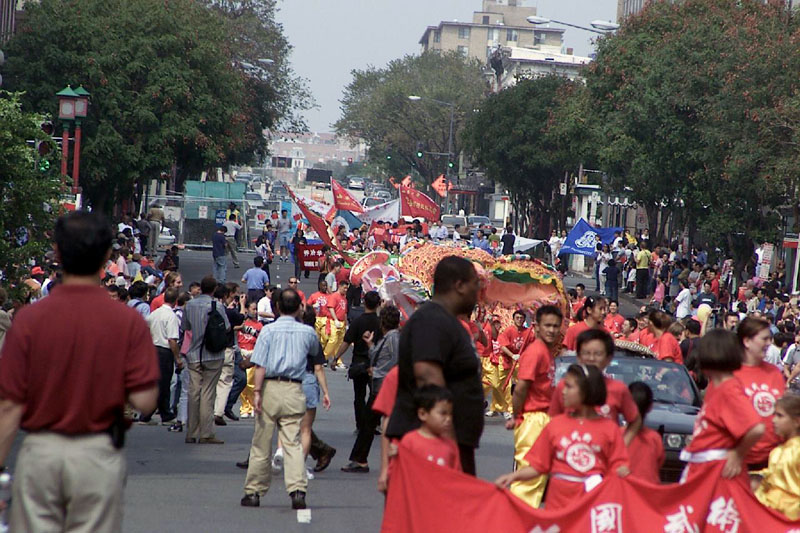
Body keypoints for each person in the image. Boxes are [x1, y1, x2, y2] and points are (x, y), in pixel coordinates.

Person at [0, 211, 159, 531]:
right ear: (107, 255)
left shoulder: (29, 320)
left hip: (41, 452)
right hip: (97, 453)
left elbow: (9, 405)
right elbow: (145, 400)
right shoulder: (126, 321)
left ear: (57, 252)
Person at [386, 256, 483, 475]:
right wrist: (448, 445)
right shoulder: (431, 320)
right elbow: (428, 377)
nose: (478, 292)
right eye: (475, 284)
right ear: (459, 285)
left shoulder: (448, 322)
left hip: (448, 445)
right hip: (435, 449)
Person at [494, 364, 630, 510]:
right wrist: (512, 477)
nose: (563, 391)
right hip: (558, 507)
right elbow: (538, 466)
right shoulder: (555, 425)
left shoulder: (609, 429)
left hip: (593, 506)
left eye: (569, 387)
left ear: (587, 390)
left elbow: (620, 467)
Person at [240, 288, 318, 510]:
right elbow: (313, 351)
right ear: (299, 308)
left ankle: (254, 491)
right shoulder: (308, 333)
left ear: (277, 307)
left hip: (270, 388)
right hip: (294, 388)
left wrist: (256, 392)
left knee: (261, 442)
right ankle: (297, 489)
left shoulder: (268, 331)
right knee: (292, 442)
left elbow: (260, 364)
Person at [679, 329, 765, 484]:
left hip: (715, 469)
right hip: (702, 464)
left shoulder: (729, 389)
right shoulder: (715, 386)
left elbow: (756, 428)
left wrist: (737, 454)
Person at [507, 305, 563, 507]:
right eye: (547, 325)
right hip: (533, 419)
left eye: (555, 326)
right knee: (530, 474)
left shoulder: (546, 352)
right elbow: (521, 388)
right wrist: (517, 415)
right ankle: (518, 516)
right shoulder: (535, 352)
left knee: (539, 476)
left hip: (544, 419)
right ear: (536, 326)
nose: (552, 330)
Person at [550, 329, 642, 445]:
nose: (591, 358)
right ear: (578, 356)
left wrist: (621, 446)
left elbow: (635, 420)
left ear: (608, 359)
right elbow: (552, 420)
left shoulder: (618, 389)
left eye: (598, 354)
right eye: (586, 353)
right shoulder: (564, 387)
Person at [342, 304, 401, 473]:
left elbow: (395, 360)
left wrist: (379, 370)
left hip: (384, 385)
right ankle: (360, 458)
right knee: (369, 424)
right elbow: (382, 357)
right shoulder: (389, 337)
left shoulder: (393, 338)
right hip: (381, 384)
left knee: (369, 424)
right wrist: (370, 345)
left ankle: (360, 459)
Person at [182, 275, 231, 444]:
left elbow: (185, 326)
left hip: (194, 353)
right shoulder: (217, 305)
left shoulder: (189, 305)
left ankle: (191, 431)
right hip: (213, 354)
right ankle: (206, 432)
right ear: (214, 289)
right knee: (208, 393)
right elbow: (226, 327)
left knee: (194, 392)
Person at [734, 317, 786, 470]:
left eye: (770, 338)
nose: (769, 343)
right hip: (738, 460)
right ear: (747, 341)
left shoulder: (774, 373)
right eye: (764, 339)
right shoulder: (730, 373)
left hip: (772, 460)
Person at [336, 291, 382, 431]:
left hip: (358, 362)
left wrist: (336, 358)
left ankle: (360, 424)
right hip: (376, 363)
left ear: (364, 302)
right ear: (378, 304)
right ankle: (373, 422)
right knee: (375, 394)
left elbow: (346, 342)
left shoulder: (357, 321)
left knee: (359, 396)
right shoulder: (381, 323)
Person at [752, 393, 800, 520]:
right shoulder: (777, 451)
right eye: (774, 415)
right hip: (769, 511)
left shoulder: (797, 451)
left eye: (780, 416)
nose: (773, 420)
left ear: (797, 421)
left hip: (790, 517)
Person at [141, 287, 183, 426]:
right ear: (175, 300)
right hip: (164, 351)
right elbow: (172, 339)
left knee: (158, 383)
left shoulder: (155, 314)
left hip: (153, 348)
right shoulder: (171, 316)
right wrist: (177, 358)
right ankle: (151, 414)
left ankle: (162, 412)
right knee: (163, 383)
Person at [396, 385, 461, 470]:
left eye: (450, 414)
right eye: (443, 413)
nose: (448, 419)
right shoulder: (409, 442)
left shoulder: (451, 446)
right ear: (423, 414)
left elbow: (456, 475)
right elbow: (400, 471)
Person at [492, 310, 532, 420]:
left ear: (524, 320)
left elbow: (534, 343)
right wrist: (512, 355)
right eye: (517, 318)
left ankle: (517, 408)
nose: (519, 320)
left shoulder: (528, 332)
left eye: (521, 318)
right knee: (499, 384)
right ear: (513, 319)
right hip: (506, 359)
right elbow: (502, 346)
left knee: (522, 384)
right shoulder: (508, 330)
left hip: (520, 361)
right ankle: (502, 407)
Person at [214, 284, 245, 426]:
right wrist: (242, 305)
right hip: (226, 348)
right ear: (227, 295)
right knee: (225, 381)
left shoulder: (211, 308)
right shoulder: (228, 311)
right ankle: (218, 411)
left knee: (211, 381)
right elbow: (240, 319)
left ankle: (211, 410)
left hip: (211, 349)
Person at [626, 382, 665, 483]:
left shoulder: (616, 435)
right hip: (648, 490)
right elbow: (658, 463)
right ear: (650, 407)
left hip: (622, 489)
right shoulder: (654, 438)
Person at [237, 301, 262, 419]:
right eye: (253, 309)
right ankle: (244, 407)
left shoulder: (259, 325)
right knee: (242, 383)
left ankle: (252, 405)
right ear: (247, 309)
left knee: (251, 383)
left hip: (253, 354)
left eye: (256, 309)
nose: (255, 311)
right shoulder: (241, 324)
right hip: (241, 353)